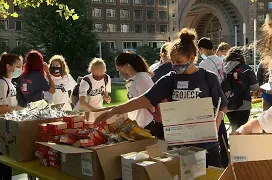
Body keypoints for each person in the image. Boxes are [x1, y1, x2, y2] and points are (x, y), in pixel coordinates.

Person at [95, 28, 228, 168]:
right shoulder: (170, 79)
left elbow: (223, 104)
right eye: (172, 62)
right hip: (180, 146)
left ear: (192, 58)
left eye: (179, 61)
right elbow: (145, 99)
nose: (175, 66)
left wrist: (219, 116)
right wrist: (114, 110)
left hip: (207, 145)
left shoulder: (208, 78)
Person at [0, 53, 23, 180]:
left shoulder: (11, 83)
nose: (20, 69)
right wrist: (16, 109)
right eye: (18, 66)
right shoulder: (0, 84)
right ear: (8, 66)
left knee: (7, 165)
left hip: (7, 131)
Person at [115, 52, 163, 138]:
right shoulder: (134, 79)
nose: (120, 73)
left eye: (119, 69)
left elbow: (150, 101)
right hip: (139, 125)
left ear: (126, 66)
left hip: (147, 125)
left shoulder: (141, 78)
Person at [198, 38, 229, 168]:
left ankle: (216, 160)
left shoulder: (205, 63)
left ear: (202, 49)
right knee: (221, 130)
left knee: (213, 131)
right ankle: (225, 158)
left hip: (211, 101)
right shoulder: (219, 60)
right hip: (221, 98)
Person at [223, 46, 259, 132]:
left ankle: (232, 144)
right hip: (244, 104)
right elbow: (255, 87)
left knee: (234, 127)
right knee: (242, 130)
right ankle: (239, 145)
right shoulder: (246, 69)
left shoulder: (223, 69)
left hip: (228, 104)